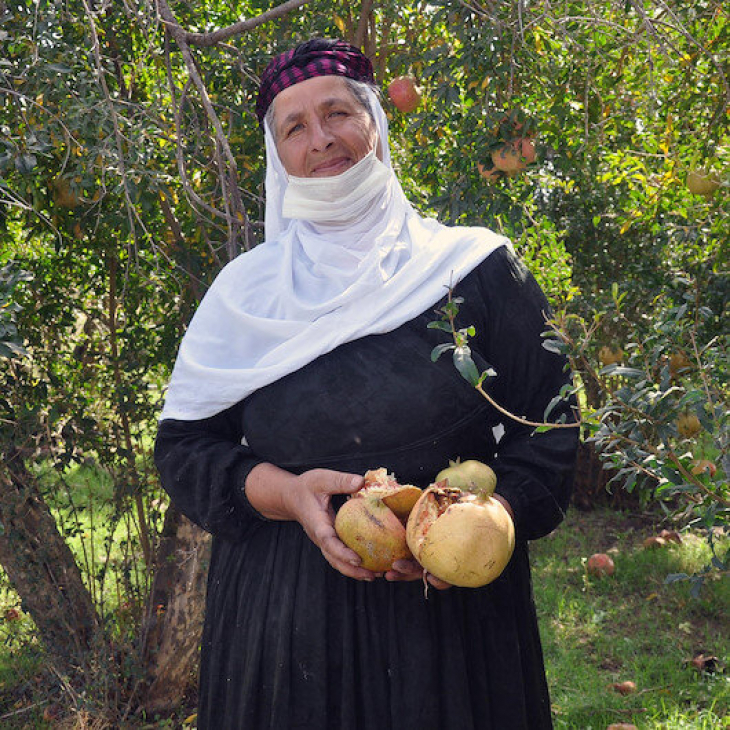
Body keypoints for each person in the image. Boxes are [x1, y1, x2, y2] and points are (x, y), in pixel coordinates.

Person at [155, 38, 578, 730]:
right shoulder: (245, 297)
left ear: (375, 122)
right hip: (287, 629)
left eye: (338, 113)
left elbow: (551, 422)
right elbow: (184, 450)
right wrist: (291, 496)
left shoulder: (475, 269)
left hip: (456, 626)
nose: (321, 139)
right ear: (279, 157)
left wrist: (473, 528)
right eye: (294, 127)